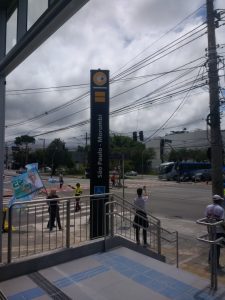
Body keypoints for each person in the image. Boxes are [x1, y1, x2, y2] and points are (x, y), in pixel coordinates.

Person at [205, 194, 225, 268]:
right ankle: (216, 264)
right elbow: (222, 222)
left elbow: (206, 218)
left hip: (211, 229)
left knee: (213, 245)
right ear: (219, 201)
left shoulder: (208, 207)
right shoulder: (221, 209)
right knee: (217, 247)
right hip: (219, 231)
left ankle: (210, 260)